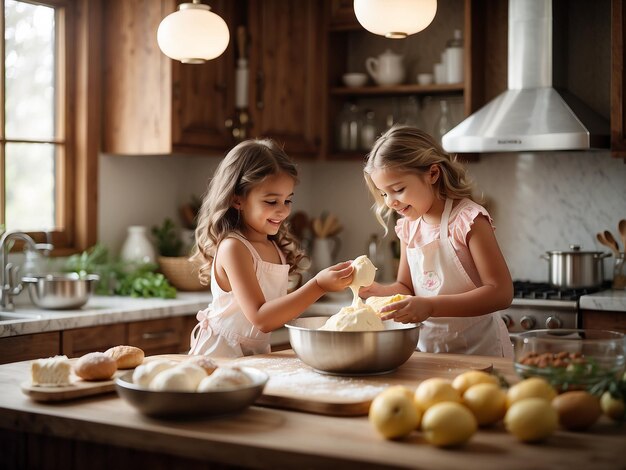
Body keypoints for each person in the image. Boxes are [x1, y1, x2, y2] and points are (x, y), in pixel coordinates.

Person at [189, 139, 353, 358]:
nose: (283, 211)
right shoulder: (234, 248)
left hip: (255, 355)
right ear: (237, 200)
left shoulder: (274, 246)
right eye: (271, 202)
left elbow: (274, 315)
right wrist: (319, 285)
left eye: (287, 201)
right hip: (220, 355)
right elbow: (261, 318)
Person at [361, 125, 513, 357]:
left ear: (432, 174)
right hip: (430, 352)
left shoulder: (468, 220)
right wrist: (377, 292)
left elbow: (501, 292)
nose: (390, 202)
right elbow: (406, 288)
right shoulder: (408, 227)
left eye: (398, 189)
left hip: (480, 352)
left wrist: (431, 306)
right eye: (383, 194)